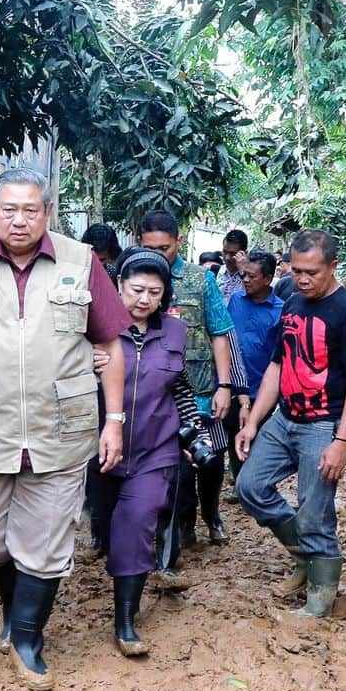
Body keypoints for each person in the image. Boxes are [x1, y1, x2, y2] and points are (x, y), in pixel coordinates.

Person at [0, 168, 129, 691]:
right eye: (8, 209)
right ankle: (14, 602)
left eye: (30, 209)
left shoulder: (80, 262)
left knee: (46, 543)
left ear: (47, 212)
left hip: (62, 427)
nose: (19, 219)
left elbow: (112, 343)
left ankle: (28, 636)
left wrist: (116, 420)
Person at [234, 229, 346, 618]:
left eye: (312, 271)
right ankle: (304, 556)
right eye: (296, 270)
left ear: (333, 266)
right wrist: (253, 422)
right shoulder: (292, 304)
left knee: (315, 511)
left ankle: (319, 600)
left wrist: (341, 440)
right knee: (250, 486)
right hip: (285, 418)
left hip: (323, 423)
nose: (303, 278)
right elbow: (278, 365)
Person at [90, 248, 211, 656]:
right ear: (118, 287)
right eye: (136, 290)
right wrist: (80, 363)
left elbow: (179, 388)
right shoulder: (93, 329)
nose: (144, 299)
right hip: (101, 447)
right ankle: (114, 563)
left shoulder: (175, 333)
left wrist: (196, 433)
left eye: (154, 293)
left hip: (155, 448)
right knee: (108, 525)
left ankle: (126, 620)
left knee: (138, 524)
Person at [138, 211, 248, 570]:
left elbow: (220, 333)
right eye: (150, 248)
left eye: (164, 248)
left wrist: (225, 386)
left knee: (212, 459)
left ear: (178, 243)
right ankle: (179, 528)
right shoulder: (133, 279)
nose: (158, 255)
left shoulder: (201, 280)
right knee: (174, 468)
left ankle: (211, 512)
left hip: (201, 388)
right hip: (156, 393)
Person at [227, 250, 285, 478]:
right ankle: (240, 478)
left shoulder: (281, 310)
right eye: (244, 275)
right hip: (233, 384)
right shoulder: (235, 301)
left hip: (261, 387)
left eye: (252, 276)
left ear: (268, 279)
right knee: (234, 429)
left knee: (255, 432)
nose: (246, 280)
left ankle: (253, 481)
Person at [217, 229, 248, 303]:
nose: (227, 258)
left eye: (232, 253)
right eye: (225, 252)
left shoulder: (252, 276)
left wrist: (243, 273)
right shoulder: (217, 272)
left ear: (245, 253)